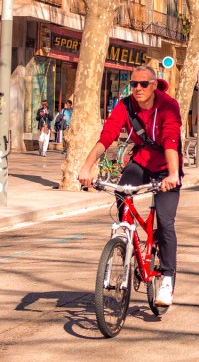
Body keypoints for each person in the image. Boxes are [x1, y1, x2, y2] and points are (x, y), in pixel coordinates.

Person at [78, 65, 182, 307]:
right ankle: (127, 235)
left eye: (143, 84)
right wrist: (86, 167)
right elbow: (107, 135)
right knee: (122, 190)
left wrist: (173, 174)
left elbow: (171, 139)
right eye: (133, 84)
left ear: (154, 85)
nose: (138, 88)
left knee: (165, 221)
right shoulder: (125, 106)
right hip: (141, 162)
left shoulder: (168, 105)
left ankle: (167, 278)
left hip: (167, 167)